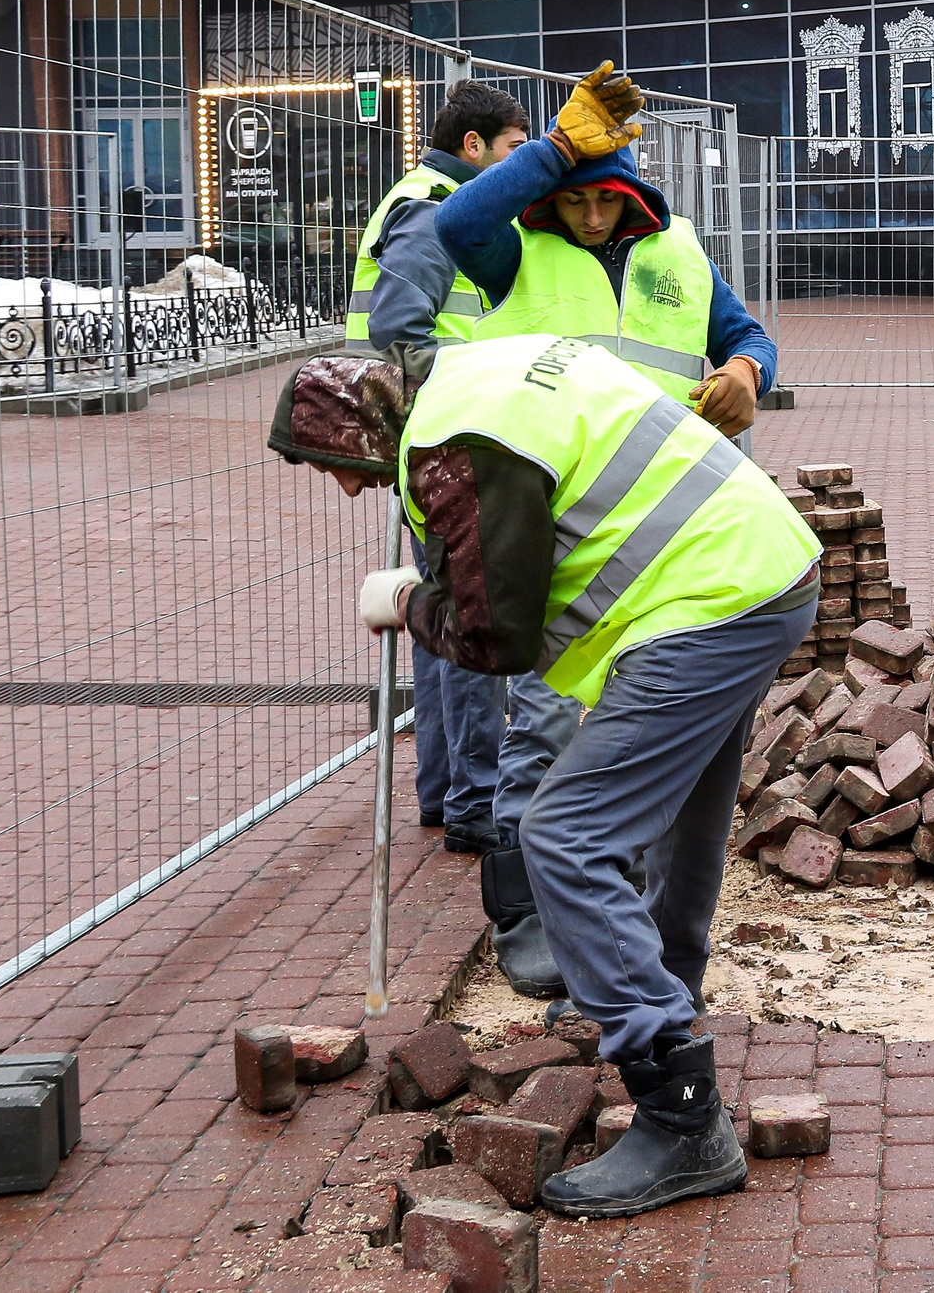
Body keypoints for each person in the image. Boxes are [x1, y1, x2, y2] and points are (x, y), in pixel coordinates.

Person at [269, 334, 821, 1216]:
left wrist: (408, 600)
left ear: (362, 427)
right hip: (758, 569)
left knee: (567, 832)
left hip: (706, 599)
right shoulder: (477, 376)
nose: (339, 484)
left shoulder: (455, 443)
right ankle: (665, 1004)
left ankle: (680, 1115)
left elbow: (498, 637)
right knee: (677, 820)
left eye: (332, 462)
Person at [436, 63, 780, 999]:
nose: (593, 218)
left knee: (650, 735)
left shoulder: (678, 252)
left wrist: (748, 369)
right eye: (577, 201)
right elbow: (455, 223)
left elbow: (746, 331)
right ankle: (523, 912)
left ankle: (629, 919)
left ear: (637, 198)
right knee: (545, 716)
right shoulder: (514, 249)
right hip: (556, 517)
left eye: (608, 202)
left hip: (665, 530)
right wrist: (554, 149)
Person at [345, 80, 530, 857]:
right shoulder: (433, 207)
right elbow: (398, 327)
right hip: (451, 428)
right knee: (473, 616)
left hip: (442, 428)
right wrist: (498, 374)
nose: (521, 170)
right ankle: (474, 803)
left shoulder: (431, 196)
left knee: (445, 611)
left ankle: (445, 789)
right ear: (474, 147)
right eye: (515, 152)